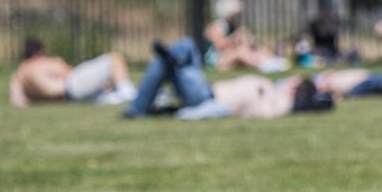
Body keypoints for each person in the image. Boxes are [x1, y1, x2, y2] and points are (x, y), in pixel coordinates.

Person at [123, 39, 332, 120]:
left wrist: (186, 114)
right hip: (205, 87)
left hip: (204, 97)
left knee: (172, 59)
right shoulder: (274, 89)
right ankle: (175, 61)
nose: (289, 81)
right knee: (182, 50)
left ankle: (138, 109)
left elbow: (231, 110)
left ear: (296, 88)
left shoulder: (279, 103)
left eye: (294, 82)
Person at [9, 38, 136, 108]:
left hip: (68, 99)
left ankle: (111, 96)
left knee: (105, 96)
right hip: (71, 87)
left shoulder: (19, 75)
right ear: (38, 53)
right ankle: (131, 95)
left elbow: (18, 101)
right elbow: (67, 72)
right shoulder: (42, 63)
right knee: (114, 59)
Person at [204, 0, 289, 73]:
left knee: (255, 48)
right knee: (241, 50)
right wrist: (235, 37)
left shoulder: (232, 26)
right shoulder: (217, 26)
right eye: (236, 14)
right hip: (217, 60)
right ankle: (264, 65)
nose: (238, 16)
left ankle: (272, 61)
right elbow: (220, 45)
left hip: (228, 55)